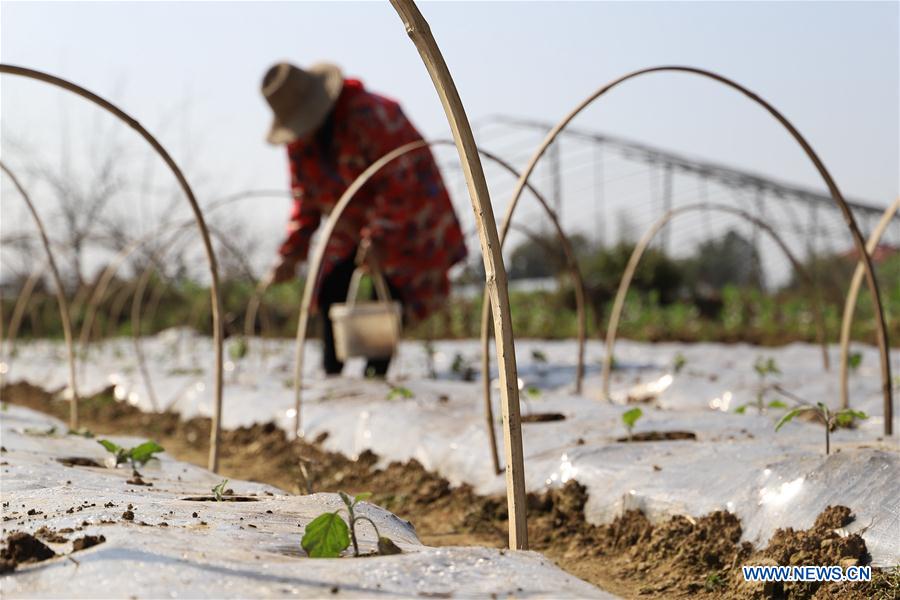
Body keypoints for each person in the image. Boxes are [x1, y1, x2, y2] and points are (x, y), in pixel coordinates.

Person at [261, 61, 467, 377]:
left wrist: (380, 237)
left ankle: (376, 375)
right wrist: (290, 253)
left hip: (408, 215)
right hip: (352, 225)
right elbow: (306, 201)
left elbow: (400, 181)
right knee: (330, 287)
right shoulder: (301, 144)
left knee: (386, 294)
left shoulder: (372, 116)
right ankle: (333, 374)